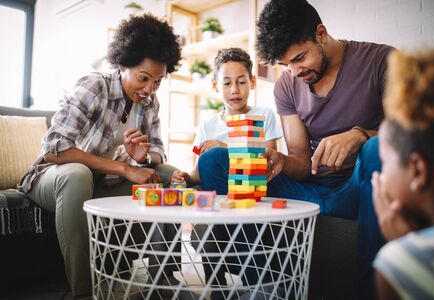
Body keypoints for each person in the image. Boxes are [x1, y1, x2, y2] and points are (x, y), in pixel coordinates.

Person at [197, 0, 394, 298]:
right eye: (285, 64)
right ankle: (267, 283)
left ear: (321, 33)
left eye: (300, 58)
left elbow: (415, 135)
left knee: (376, 148)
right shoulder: (287, 84)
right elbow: (302, 162)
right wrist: (280, 160)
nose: (294, 71)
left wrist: (360, 135)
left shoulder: (381, 60)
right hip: (308, 192)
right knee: (214, 161)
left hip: (358, 189)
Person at [18, 13, 181, 299]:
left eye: (157, 81)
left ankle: (162, 281)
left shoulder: (150, 102)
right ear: (122, 65)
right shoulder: (96, 86)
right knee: (76, 174)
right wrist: (124, 168)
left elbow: (158, 151)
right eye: (143, 78)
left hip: (102, 183)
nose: (149, 89)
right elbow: (55, 148)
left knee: (168, 175)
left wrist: (142, 159)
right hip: (53, 178)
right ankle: (82, 291)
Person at [372, 50, 434, 300]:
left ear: (417, 170)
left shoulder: (400, 263)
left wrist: (405, 250)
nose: (381, 177)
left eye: (384, 162)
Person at [171, 47, 282, 187]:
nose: (234, 90)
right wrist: (186, 178)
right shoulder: (207, 126)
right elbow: (200, 171)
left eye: (241, 82)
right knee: (209, 160)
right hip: (221, 188)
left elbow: (269, 160)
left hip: (259, 185)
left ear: (252, 82)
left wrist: (227, 149)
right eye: (227, 83)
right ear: (215, 85)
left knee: (215, 156)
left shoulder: (264, 115)